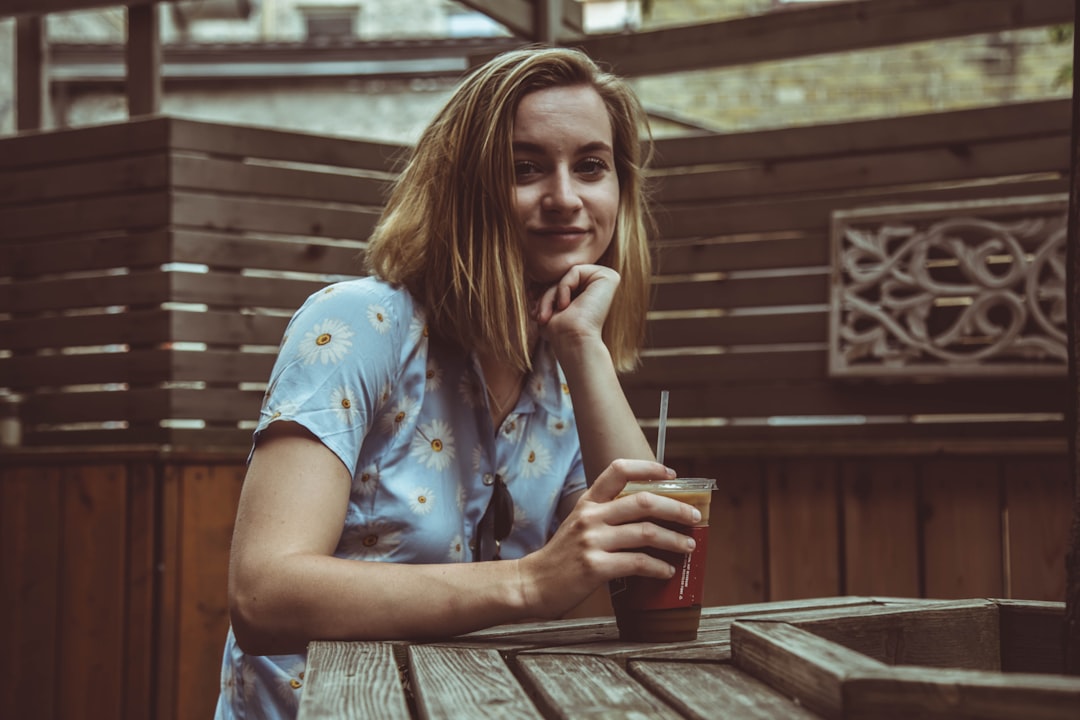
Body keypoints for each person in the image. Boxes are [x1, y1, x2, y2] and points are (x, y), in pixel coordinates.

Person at [215, 45, 701, 719]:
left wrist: (585, 347)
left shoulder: (562, 375)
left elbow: (655, 558)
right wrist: (531, 582)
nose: (565, 197)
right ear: (465, 187)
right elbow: (262, 598)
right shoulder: (359, 323)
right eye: (524, 168)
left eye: (591, 166)